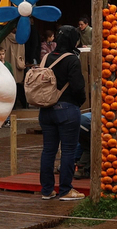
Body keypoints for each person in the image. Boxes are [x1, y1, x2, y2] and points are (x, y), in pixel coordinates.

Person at [33, 26, 87, 201]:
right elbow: (78, 87)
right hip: (67, 110)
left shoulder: (46, 57)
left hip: (46, 110)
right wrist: (79, 102)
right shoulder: (72, 59)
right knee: (68, 151)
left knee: (48, 150)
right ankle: (65, 190)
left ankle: (47, 190)